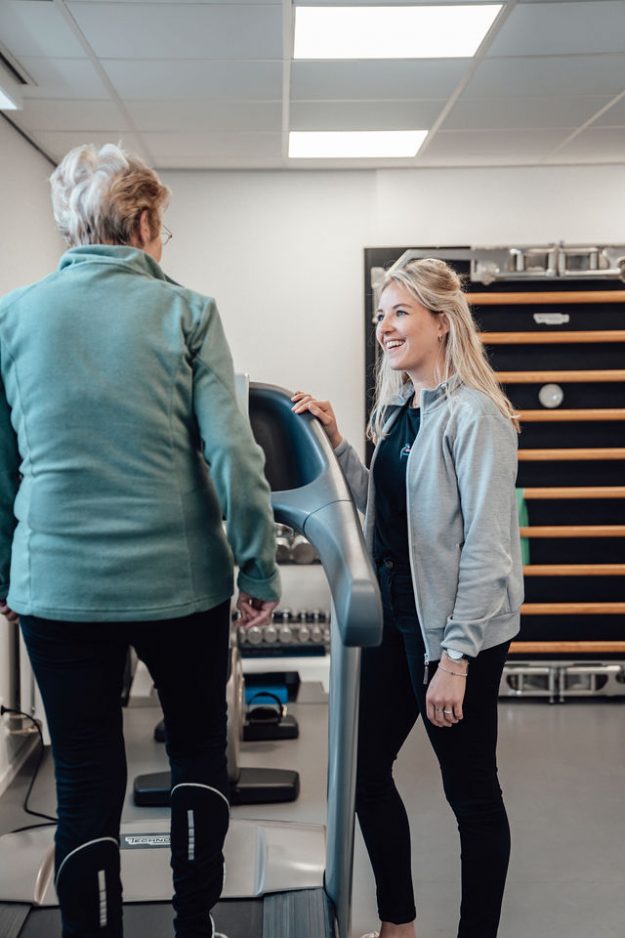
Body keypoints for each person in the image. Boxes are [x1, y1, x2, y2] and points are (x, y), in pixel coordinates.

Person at [0, 143, 280, 938]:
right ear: (146, 220)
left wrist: (5, 574)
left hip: (56, 587)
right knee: (196, 755)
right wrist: (257, 566)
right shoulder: (186, 311)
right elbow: (232, 452)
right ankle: (196, 925)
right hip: (177, 584)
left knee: (85, 778)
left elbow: (1, 464)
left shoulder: (13, 315)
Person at [292, 257, 523, 938]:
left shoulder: (476, 418)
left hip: (459, 630)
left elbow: (486, 547)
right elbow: (382, 514)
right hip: (396, 617)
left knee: (470, 794)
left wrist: (454, 659)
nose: (383, 327)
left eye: (398, 313)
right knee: (361, 772)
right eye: (379, 315)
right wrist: (337, 444)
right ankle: (398, 925)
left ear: (441, 322)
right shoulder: (397, 407)